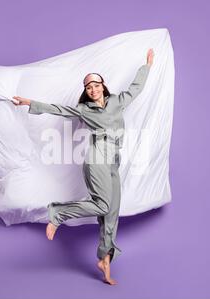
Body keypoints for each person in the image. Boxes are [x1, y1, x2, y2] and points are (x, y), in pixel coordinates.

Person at [12, 49, 154, 285]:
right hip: (97, 157)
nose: (93, 89)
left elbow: (136, 88)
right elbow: (59, 109)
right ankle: (58, 214)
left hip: (113, 161)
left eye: (96, 85)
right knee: (103, 204)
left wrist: (147, 66)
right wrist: (30, 103)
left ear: (103, 85)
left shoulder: (118, 101)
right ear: (86, 92)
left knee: (111, 212)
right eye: (89, 88)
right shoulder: (84, 110)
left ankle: (105, 259)